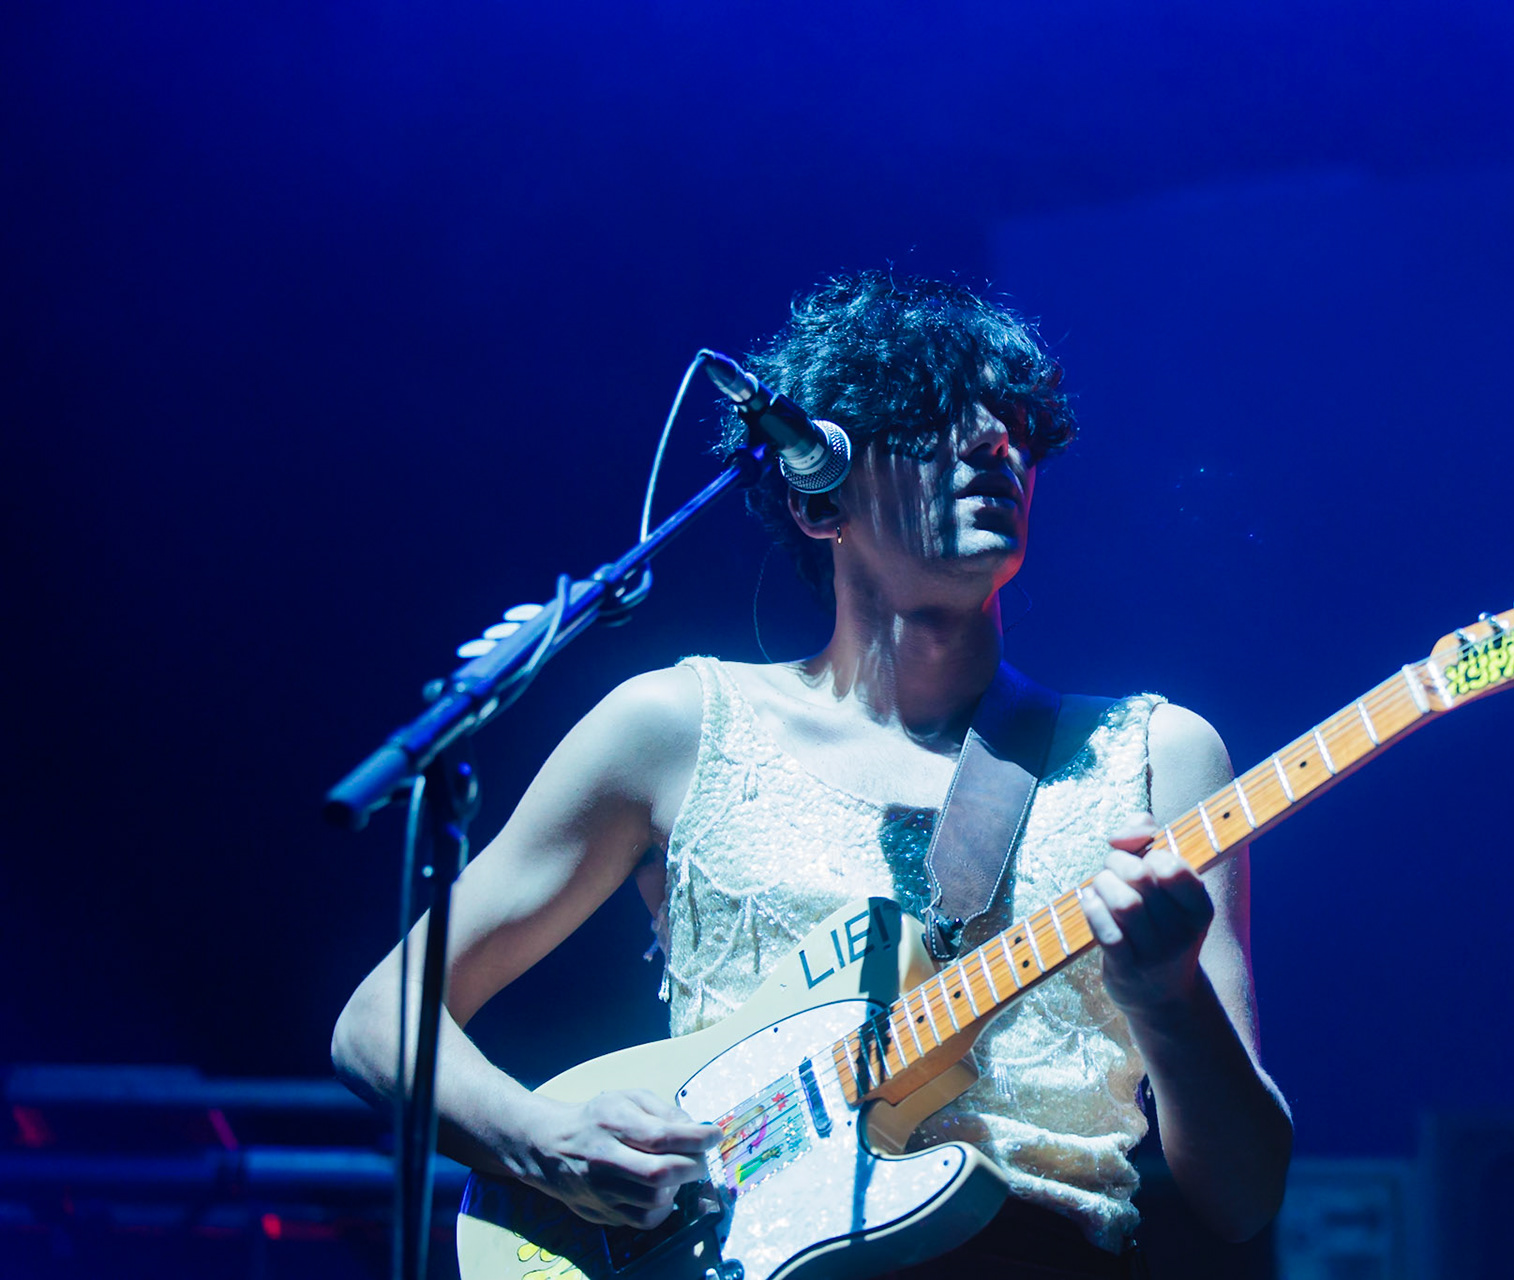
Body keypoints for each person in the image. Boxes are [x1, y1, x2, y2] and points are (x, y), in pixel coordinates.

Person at [332, 271, 1293, 1277]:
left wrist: (1170, 993)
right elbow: (379, 1018)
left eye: (1013, 422)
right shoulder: (675, 726)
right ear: (816, 493)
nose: (991, 442)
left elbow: (1242, 1195)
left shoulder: (1154, 754)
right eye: (933, 418)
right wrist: (539, 1136)